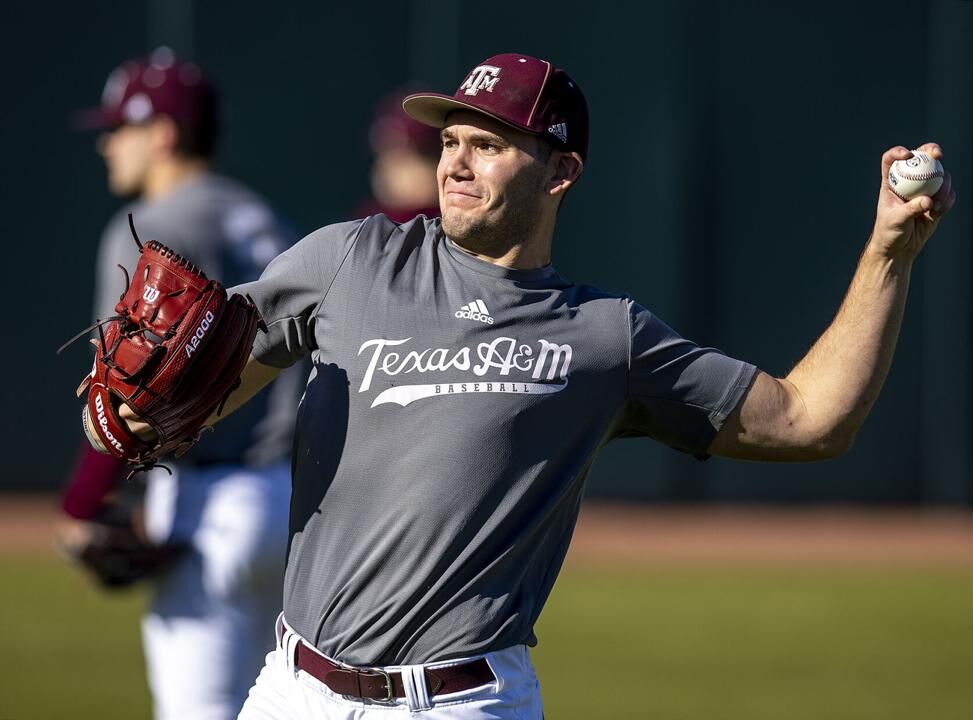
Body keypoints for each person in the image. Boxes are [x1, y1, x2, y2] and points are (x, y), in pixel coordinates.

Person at [120, 53, 954, 719]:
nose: (455, 162)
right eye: (448, 141)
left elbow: (810, 420)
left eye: (487, 144)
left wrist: (887, 253)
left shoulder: (603, 337)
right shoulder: (349, 260)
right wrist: (139, 417)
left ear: (560, 172)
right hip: (292, 691)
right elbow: (195, 388)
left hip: (462, 701)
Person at [61, 47, 302, 720]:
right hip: (296, 508)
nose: (107, 144)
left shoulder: (153, 229)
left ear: (162, 134)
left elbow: (125, 394)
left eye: (119, 129)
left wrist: (83, 504)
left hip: (207, 507)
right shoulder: (267, 219)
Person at [355, 89, 441, 222]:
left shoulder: (457, 222)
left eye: (411, 154)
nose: (390, 165)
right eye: (386, 150)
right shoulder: (364, 224)